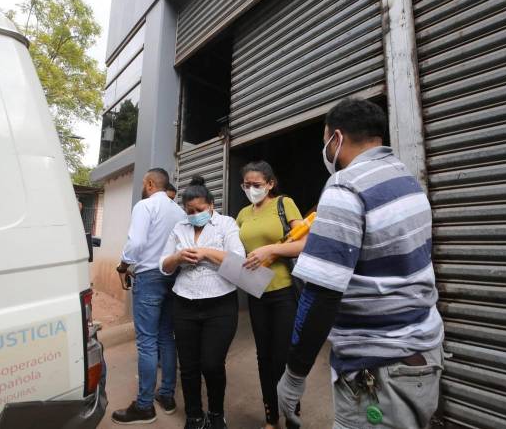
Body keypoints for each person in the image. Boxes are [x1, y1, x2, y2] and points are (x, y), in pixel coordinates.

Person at [277, 98, 444, 429]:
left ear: (336, 139)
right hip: (422, 355)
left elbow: (321, 294)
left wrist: (294, 375)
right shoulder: (407, 180)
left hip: (378, 371)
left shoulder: (345, 187)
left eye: (325, 141)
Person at [160, 175, 245, 429]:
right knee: (188, 366)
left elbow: (238, 260)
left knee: (212, 363)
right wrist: (177, 257)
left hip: (220, 304)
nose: (195, 215)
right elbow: (164, 266)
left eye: (199, 210)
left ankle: (216, 414)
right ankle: (194, 415)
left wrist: (206, 252)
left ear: (211, 205)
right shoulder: (179, 229)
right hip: (184, 302)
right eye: (190, 212)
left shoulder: (226, 225)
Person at [235, 161, 306, 429]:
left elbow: (303, 242)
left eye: (257, 185)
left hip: (284, 291)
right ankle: (271, 417)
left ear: (270, 183)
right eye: (247, 185)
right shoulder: (242, 214)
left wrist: (272, 251)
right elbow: (235, 248)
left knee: (283, 355)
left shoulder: (284, 204)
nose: (252, 189)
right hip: (257, 293)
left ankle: (291, 415)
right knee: (263, 357)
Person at [112, 168, 186, 424]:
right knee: (166, 336)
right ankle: (166, 394)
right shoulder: (179, 211)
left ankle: (144, 406)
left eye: (144, 182)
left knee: (146, 341)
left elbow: (136, 243)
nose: (143, 187)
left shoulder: (145, 206)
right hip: (172, 276)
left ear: (151, 183)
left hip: (150, 277)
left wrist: (123, 266)